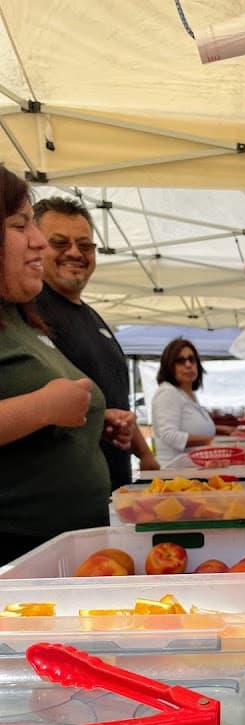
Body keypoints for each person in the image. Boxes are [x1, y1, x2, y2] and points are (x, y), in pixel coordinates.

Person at [0, 166, 134, 565]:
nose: (38, 241)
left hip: (61, 548)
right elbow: (40, 403)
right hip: (17, 552)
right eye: (20, 225)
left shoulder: (19, 316)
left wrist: (94, 417)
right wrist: (43, 407)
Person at [33, 195, 159, 488]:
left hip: (113, 489)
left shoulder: (93, 318)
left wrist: (145, 455)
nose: (75, 252)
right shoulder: (30, 311)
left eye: (85, 245)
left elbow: (115, 403)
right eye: (60, 243)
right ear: (35, 245)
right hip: (63, 492)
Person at [150, 338, 236, 465]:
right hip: (175, 472)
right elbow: (168, 435)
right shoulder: (167, 393)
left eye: (192, 359)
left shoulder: (186, 395)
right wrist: (211, 440)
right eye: (180, 361)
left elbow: (188, 425)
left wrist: (219, 429)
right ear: (169, 366)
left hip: (194, 470)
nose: (188, 365)